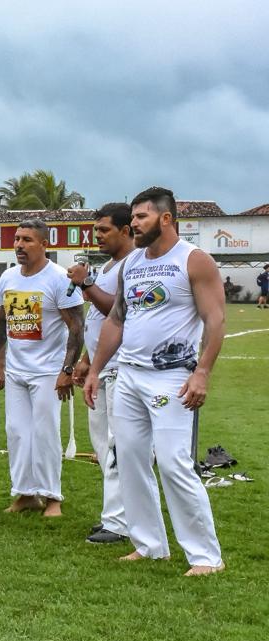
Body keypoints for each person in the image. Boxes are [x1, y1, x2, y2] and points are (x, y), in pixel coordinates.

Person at [84, 187, 225, 576]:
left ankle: (205, 557)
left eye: (142, 217)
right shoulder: (131, 264)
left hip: (173, 376)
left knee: (173, 462)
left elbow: (215, 320)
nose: (134, 224)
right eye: (133, 217)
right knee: (129, 460)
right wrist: (95, 370)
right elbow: (116, 320)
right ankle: (149, 545)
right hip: (128, 374)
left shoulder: (194, 260)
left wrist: (202, 373)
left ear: (166, 219)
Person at [0, 219, 84, 517]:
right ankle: (26, 493)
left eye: (27, 240)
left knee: (45, 433)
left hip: (48, 372)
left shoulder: (57, 279)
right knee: (16, 432)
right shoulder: (8, 277)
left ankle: (52, 497)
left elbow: (77, 327)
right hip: (17, 370)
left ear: (45, 244)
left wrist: (67, 370)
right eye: (17, 239)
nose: (19, 245)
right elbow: (3, 321)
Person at [67, 204, 135, 544]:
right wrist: (86, 359)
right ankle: (113, 515)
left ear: (126, 231)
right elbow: (98, 321)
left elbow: (116, 311)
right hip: (101, 367)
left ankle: (119, 523)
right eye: (96, 231)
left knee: (116, 445)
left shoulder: (132, 265)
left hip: (122, 368)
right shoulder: (109, 265)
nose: (98, 236)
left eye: (105, 230)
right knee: (103, 446)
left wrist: (87, 283)